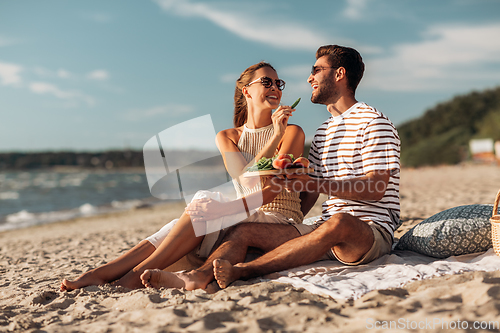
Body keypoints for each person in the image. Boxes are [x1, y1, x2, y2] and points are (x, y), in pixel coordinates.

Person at [142, 44, 400, 290]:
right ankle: (200, 276)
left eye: (317, 70)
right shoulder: (323, 133)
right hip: (323, 227)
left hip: (370, 230)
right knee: (243, 231)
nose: (310, 78)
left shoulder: (373, 122)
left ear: (340, 74)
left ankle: (244, 270)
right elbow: (309, 194)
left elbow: (375, 188)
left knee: (340, 222)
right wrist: (293, 216)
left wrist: (311, 183)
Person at [60, 61, 305, 291]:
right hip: (242, 210)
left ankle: (129, 275)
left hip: (277, 217)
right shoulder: (227, 136)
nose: (275, 88)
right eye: (266, 82)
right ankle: (106, 272)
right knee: (183, 220)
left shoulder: (291, 133)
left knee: (200, 208)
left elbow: (264, 185)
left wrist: (276, 134)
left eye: (278, 83)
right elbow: (243, 177)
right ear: (246, 91)